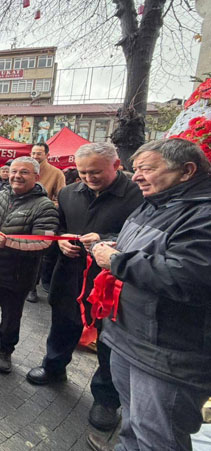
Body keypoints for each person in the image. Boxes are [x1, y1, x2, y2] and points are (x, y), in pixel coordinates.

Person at [87, 139, 211, 451]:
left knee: (157, 437)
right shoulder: (155, 204)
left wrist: (116, 261)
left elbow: (187, 276)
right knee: (132, 426)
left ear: (187, 171)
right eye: (136, 169)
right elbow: (143, 248)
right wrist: (110, 243)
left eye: (146, 169)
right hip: (130, 337)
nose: (137, 176)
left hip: (167, 353)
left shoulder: (203, 214)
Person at [26, 142, 143, 433]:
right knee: (63, 323)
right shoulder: (69, 193)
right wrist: (62, 240)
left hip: (112, 280)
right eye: (83, 172)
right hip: (71, 272)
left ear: (116, 165)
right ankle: (54, 367)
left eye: (95, 172)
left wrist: (105, 240)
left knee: (109, 339)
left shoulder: (138, 195)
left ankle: (106, 399)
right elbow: (58, 227)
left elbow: (144, 237)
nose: (89, 178)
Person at [0, 157, 59, 373]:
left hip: (18, 275)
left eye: (24, 172)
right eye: (14, 171)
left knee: (11, 317)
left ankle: (5, 350)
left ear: (36, 176)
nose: (17, 176)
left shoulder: (44, 206)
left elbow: (45, 243)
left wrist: (9, 242)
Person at [26, 142, 67, 303]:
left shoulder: (56, 173)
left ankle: (32, 287)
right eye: (33, 153)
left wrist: (47, 206)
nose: (35, 156)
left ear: (47, 155)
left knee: (38, 254)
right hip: (23, 216)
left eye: (39, 153)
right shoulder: (25, 168)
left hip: (43, 217)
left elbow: (62, 198)